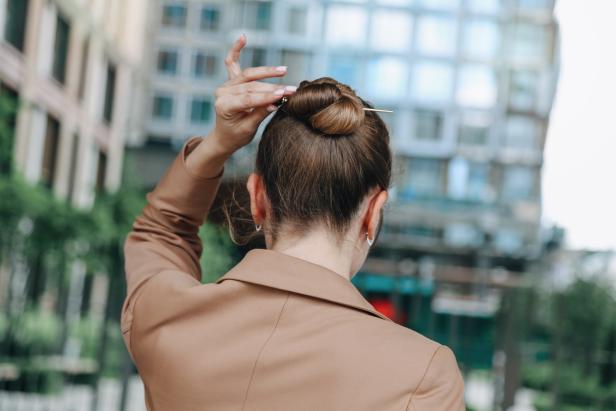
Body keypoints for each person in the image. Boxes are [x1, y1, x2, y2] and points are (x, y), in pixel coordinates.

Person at [122, 34, 466, 411]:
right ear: (374, 212)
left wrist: (218, 144)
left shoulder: (167, 319)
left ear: (256, 198)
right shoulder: (423, 376)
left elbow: (159, 231)